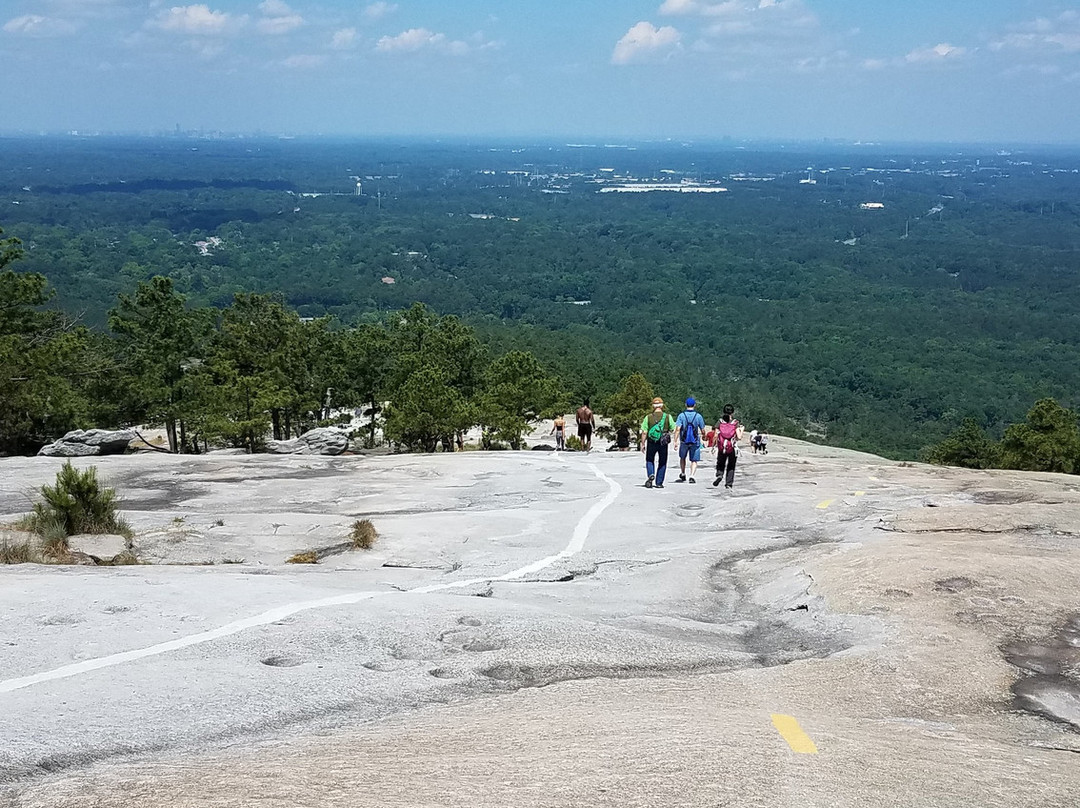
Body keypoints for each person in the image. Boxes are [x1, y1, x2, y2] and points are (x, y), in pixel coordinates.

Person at [640, 397, 676, 489]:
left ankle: (651, 474)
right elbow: (673, 428)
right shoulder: (668, 417)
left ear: (653, 406)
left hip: (651, 441)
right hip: (663, 442)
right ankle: (659, 483)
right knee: (662, 462)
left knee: (649, 459)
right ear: (662, 405)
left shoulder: (648, 417)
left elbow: (644, 432)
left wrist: (643, 443)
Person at [674, 397, 706, 483]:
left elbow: (677, 429)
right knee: (694, 460)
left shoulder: (681, 416)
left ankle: (683, 473)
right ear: (694, 405)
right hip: (695, 441)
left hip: (684, 441)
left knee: (682, 457)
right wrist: (704, 436)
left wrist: (675, 441)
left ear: (686, 405)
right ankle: (692, 475)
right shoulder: (698, 416)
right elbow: (703, 429)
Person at [712, 403, 743, 489]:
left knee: (720, 462)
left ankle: (719, 475)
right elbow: (739, 437)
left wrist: (713, 446)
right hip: (732, 447)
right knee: (731, 465)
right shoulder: (735, 423)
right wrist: (742, 430)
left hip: (722, 446)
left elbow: (715, 435)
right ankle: (729, 484)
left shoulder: (720, 422)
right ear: (732, 412)